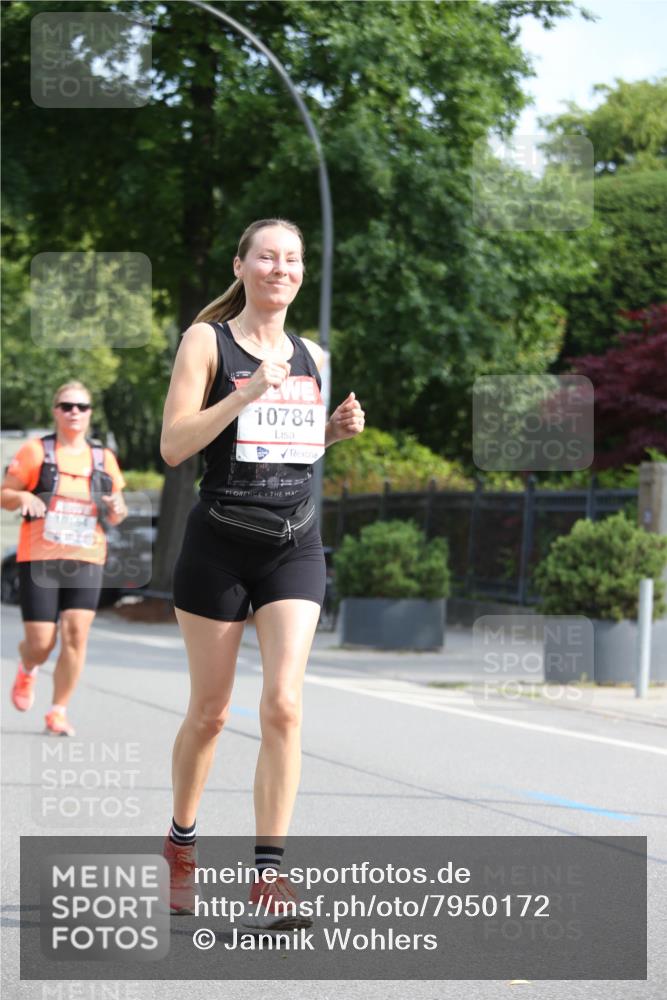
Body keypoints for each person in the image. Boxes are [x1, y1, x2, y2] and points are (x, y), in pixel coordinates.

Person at [160, 218, 364, 924]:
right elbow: (174, 446)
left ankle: (269, 878)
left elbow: (293, 453)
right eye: (268, 257)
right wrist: (245, 391)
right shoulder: (204, 342)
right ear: (242, 266)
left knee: (283, 703)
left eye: (293, 259)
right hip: (218, 546)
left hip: (293, 545)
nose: (282, 268)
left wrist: (329, 436)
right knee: (211, 714)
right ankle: (181, 845)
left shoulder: (315, 355)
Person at [1, 381, 128, 736]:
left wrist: (117, 507)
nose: (75, 412)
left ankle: (57, 711)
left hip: (86, 555)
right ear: (55, 411)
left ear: (90, 414)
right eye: (67, 406)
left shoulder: (103, 458)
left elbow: (117, 511)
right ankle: (28, 666)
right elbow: (5, 494)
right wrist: (21, 498)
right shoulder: (35, 452)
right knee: (42, 642)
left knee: (75, 635)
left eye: (82, 407)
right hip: (40, 557)